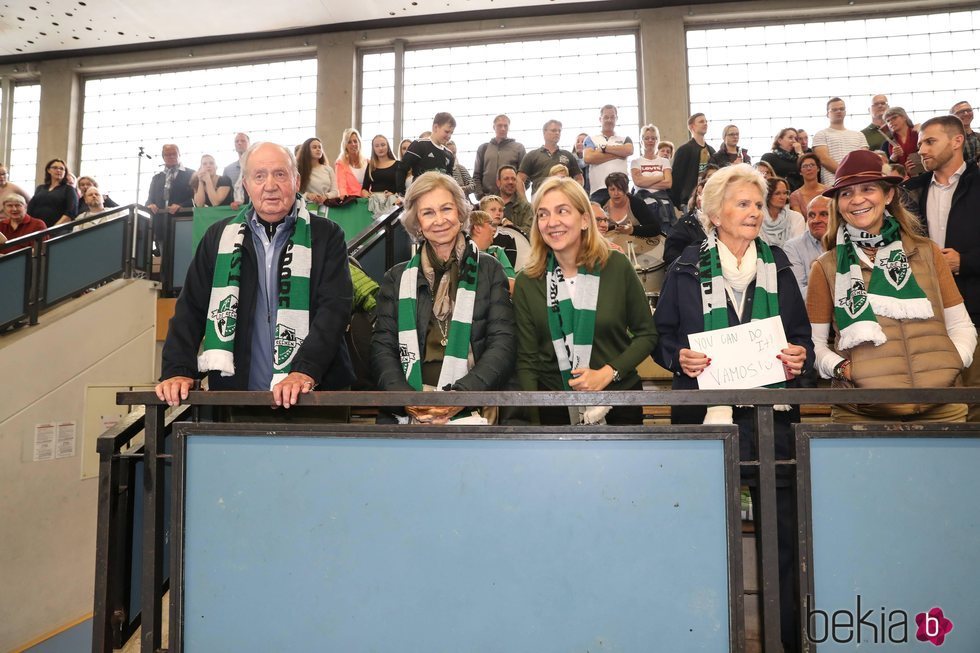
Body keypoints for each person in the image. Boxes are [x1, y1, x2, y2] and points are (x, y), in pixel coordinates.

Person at [654, 163, 813, 653]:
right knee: (701, 535)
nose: (754, 212)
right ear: (715, 212)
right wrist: (678, 357)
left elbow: (801, 338)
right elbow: (662, 339)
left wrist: (797, 356)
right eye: (742, 204)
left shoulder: (780, 263)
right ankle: (701, 638)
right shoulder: (683, 266)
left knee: (784, 541)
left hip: (772, 423)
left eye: (758, 204)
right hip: (707, 423)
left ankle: (786, 638)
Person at [156, 142, 355, 410]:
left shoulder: (327, 235)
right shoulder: (217, 238)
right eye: (259, 176)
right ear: (247, 186)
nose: (270, 185)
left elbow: (334, 310)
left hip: (314, 394)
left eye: (280, 174)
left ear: (296, 181)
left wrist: (304, 371)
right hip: (237, 396)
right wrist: (178, 368)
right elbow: (190, 308)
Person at [806, 149, 976, 422]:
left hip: (941, 408)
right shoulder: (825, 266)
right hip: (862, 413)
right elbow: (814, 344)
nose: (857, 199)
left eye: (868, 189)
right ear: (837, 204)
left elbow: (961, 326)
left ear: (888, 195)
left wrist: (954, 361)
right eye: (846, 193)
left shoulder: (928, 252)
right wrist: (842, 369)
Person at [371, 171, 515, 425]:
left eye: (446, 209)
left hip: (473, 404)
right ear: (417, 223)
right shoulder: (396, 277)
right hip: (411, 405)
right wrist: (408, 400)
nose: (439, 220)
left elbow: (502, 343)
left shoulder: (490, 269)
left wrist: (459, 398)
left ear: (460, 213)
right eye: (428, 213)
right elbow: (383, 347)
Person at [513, 176, 657, 426]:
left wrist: (608, 373)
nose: (552, 222)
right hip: (554, 410)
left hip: (618, 401)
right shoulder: (528, 281)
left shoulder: (616, 266)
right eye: (543, 214)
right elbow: (527, 360)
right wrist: (532, 425)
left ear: (584, 219)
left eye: (562, 211)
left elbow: (647, 335)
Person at [905, 115, 980, 420]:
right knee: (936, 397)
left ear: (957, 141)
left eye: (930, 141)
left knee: (974, 396)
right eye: (921, 142)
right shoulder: (911, 191)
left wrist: (965, 262)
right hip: (928, 313)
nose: (921, 149)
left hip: (973, 308)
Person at [583, 104, 634, 205]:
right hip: (599, 191)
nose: (609, 120)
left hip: (621, 189)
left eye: (612, 117)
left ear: (616, 119)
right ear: (600, 119)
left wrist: (604, 149)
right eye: (606, 117)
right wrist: (619, 153)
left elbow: (628, 150)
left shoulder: (625, 139)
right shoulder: (591, 139)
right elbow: (588, 158)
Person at [812, 97, 868, 186]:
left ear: (845, 112)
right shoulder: (821, 134)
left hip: (858, 182)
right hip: (832, 184)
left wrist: (854, 176)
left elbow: (865, 159)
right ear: (827, 114)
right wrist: (847, 174)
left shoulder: (859, 135)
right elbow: (824, 159)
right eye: (834, 110)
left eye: (842, 109)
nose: (839, 111)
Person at [397, 112, 456, 194]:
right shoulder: (419, 145)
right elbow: (402, 169)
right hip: (420, 195)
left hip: (440, 195)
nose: (449, 136)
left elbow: (450, 179)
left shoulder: (449, 154)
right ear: (435, 127)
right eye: (446, 131)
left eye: (451, 133)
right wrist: (401, 194)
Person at [518, 119, 584, 194]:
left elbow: (579, 178)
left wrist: (573, 194)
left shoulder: (568, 155)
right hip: (538, 200)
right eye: (553, 130)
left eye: (559, 131)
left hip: (563, 198)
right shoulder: (532, 155)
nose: (557, 133)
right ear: (544, 132)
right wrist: (523, 201)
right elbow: (519, 179)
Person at [782, 195, 830, 296]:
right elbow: (797, 292)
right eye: (811, 215)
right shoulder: (793, 247)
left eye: (824, 214)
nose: (816, 220)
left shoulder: (847, 242)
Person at [631, 125, 674, 233]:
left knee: (665, 239)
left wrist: (645, 182)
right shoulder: (636, 162)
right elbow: (638, 182)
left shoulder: (664, 161)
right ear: (641, 141)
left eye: (653, 138)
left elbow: (668, 183)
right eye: (646, 138)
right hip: (644, 205)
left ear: (657, 140)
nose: (650, 141)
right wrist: (660, 177)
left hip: (663, 205)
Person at [473, 114, 526, 199]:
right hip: (487, 199)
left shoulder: (518, 148)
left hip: (511, 200)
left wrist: (517, 194)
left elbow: (525, 175)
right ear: (494, 127)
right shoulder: (483, 148)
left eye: (506, 126)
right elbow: (476, 175)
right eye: (499, 125)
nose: (503, 129)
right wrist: (480, 195)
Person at [669, 112, 715, 209]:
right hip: (689, 199)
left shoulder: (711, 151)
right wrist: (679, 202)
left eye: (706, 121)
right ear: (692, 127)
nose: (705, 123)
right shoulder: (684, 150)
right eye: (701, 121)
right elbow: (676, 178)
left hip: (709, 199)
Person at [600, 172, 662, 238]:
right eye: (612, 189)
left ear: (627, 189)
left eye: (620, 189)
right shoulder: (601, 206)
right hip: (608, 246)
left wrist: (632, 230)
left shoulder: (637, 204)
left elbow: (656, 228)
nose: (616, 193)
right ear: (608, 190)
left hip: (635, 246)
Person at [663, 176, 708, 266]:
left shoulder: (727, 223)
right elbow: (670, 255)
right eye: (698, 194)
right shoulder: (684, 224)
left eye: (705, 194)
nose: (700, 198)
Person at [469, 209, 516, 292]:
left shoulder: (497, 251)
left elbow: (512, 284)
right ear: (478, 228)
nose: (494, 229)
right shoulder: (462, 253)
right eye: (490, 224)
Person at [145, 144, 194, 216]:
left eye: (174, 154)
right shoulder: (156, 178)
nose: (171, 156)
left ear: (179, 155)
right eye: (167, 155)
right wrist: (150, 205)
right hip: (159, 219)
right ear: (163, 158)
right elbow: (150, 200)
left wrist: (182, 205)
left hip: (182, 217)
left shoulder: (191, 174)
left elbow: (196, 199)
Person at [27, 158, 78, 227]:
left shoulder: (69, 189)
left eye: (62, 169)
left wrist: (53, 229)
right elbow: (30, 209)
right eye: (55, 168)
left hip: (58, 230)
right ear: (48, 170)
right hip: (37, 229)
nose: (58, 170)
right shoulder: (40, 188)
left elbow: (70, 212)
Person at [760, 177, 805, 248]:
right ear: (767, 195)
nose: (783, 197)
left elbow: (797, 247)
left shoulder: (797, 218)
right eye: (777, 193)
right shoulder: (758, 219)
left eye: (785, 193)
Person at [297, 137, 341, 209]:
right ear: (306, 151)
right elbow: (294, 193)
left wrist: (326, 196)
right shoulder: (299, 170)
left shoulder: (328, 169)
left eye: (320, 147)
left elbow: (335, 191)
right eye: (314, 147)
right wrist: (307, 195)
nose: (318, 149)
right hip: (306, 207)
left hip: (327, 207)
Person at [365, 134, 401, 217]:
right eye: (376, 146)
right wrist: (371, 197)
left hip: (392, 203)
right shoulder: (371, 166)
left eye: (383, 145)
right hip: (374, 204)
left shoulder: (398, 164)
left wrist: (394, 195)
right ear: (373, 149)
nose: (380, 148)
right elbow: (364, 188)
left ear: (388, 146)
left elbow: (401, 187)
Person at [335, 128, 371, 198]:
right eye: (349, 142)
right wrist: (344, 198)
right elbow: (341, 185)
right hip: (350, 201)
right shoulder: (340, 163)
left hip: (368, 200)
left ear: (359, 143)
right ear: (345, 145)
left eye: (355, 141)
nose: (353, 144)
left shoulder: (368, 161)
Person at [496, 165, 533, 233]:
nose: (510, 182)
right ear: (498, 183)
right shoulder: (489, 205)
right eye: (506, 179)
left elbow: (531, 232)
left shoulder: (526, 207)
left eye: (513, 179)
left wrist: (513, 228)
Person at [881, 107, 920, 172]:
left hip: (922, 175)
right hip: (900, 178)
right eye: (888, 121)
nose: (891, 122)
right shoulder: (886, 144)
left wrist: (921, 131)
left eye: (894, 118)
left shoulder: (919, 134)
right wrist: (893, 157)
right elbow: (885, 169)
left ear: (904, 117)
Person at [223, 132, 250, 208]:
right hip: (234, 210)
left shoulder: (258, 165)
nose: (239, 143)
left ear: (249, 144)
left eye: (243, 141)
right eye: (236, 141)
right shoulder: (228, 170)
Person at [950, 100, 980, 165]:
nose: (966, 113)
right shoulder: (949, 140)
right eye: (960, 112)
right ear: (952, 117)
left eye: (969, 110)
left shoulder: (978, 137)